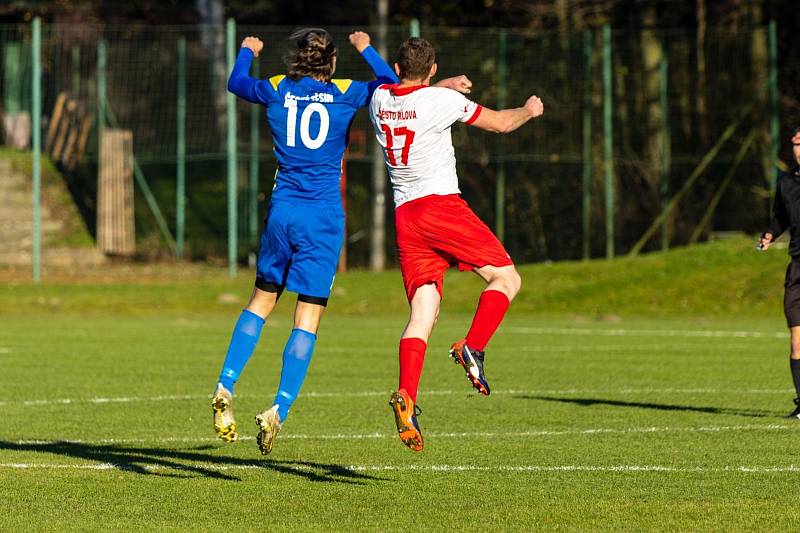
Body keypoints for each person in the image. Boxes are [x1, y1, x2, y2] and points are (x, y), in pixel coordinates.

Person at [211, 28, 399, 455]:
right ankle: (278, 409)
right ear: (330, 62)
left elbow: (236, 83)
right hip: (321, 217)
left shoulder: (277, 88)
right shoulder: (347, 91)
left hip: (283, 212)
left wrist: (246, 52)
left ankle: (226, 383)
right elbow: (391, 85)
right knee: (307, 317)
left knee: (260, 301)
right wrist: (366, 48)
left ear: (296, 61)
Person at [368, 37, 544, 451]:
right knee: (506, 278)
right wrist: (529, 110)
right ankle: (473, 346)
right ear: (432, 70)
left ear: (398, 67)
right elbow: (501, 123)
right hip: (440, 208)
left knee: (422, 313)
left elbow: (400, 90)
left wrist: (437, 85)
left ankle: (407, 396)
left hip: (405, 217)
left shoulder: (379, 100)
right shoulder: (439, 103)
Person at [758, 127, 800, 418]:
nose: (798, 148)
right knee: (797, 339)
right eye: (795, 144)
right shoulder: (785, 182)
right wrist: (770, 235)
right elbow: (780, 217)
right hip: (797, 265)